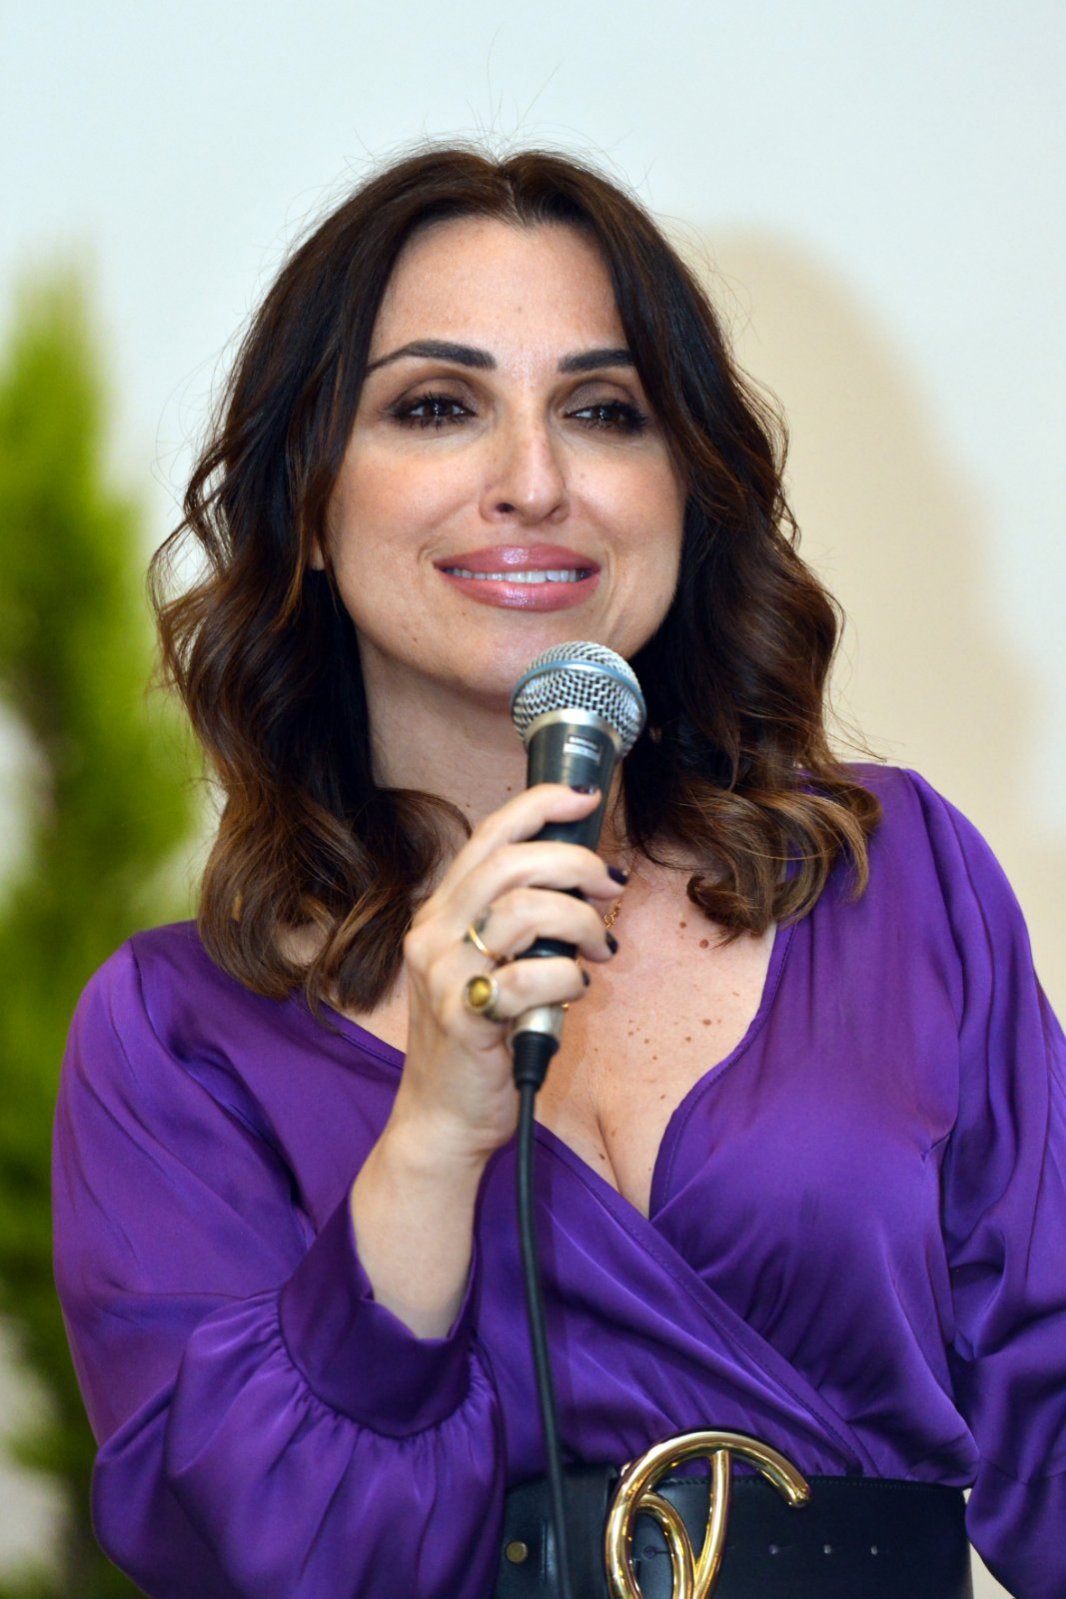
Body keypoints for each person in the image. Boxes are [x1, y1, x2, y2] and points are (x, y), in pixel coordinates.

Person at [53, 147, 1064, 1599]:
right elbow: (259, 1551)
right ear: (310, 506)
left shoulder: (886, 880)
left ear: (685, 488)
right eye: (435, 406)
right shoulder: (175, 1036)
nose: (533, 482)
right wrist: (429, 1139)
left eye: (603, 411)